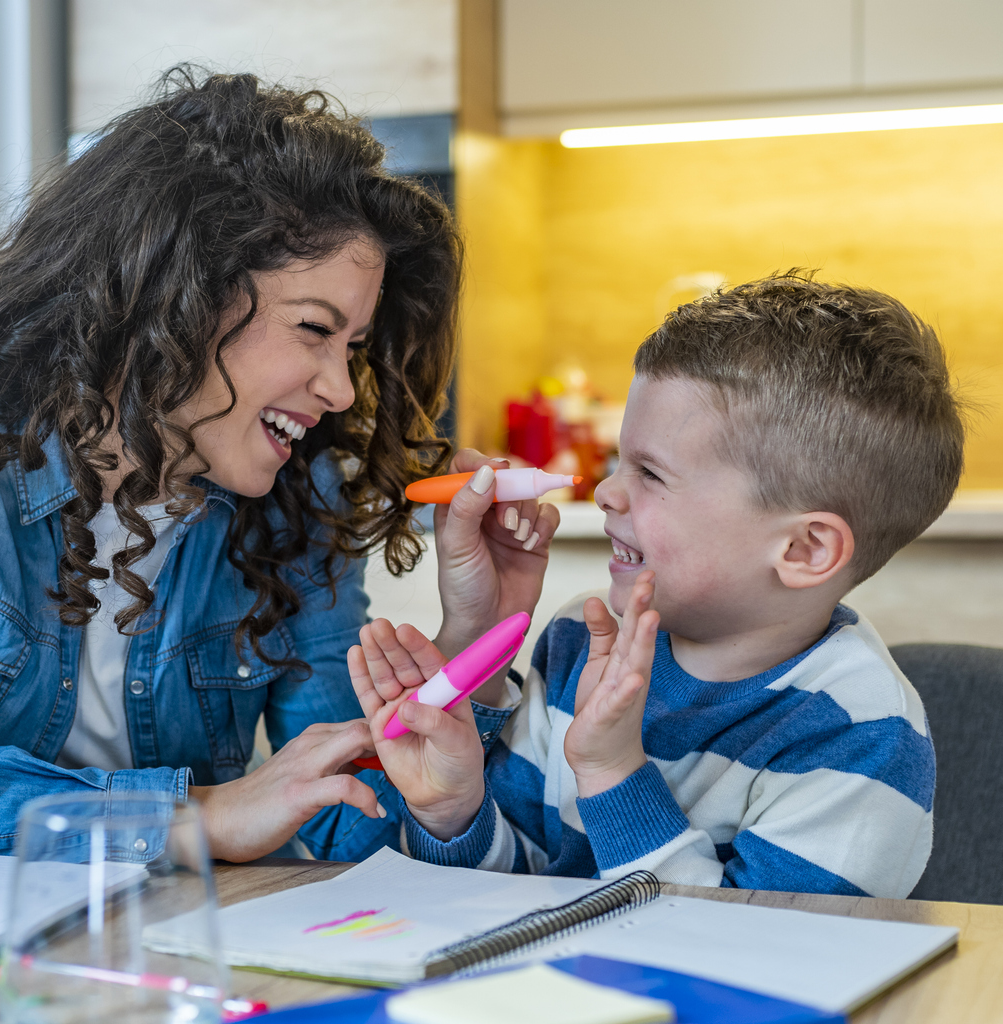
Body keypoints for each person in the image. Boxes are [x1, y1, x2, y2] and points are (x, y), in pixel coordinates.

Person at [0, 71, 558, 868]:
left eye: (350, 347)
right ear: (180, 294)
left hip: (174, 933)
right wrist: (192, 817)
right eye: (313, 329)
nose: (341, 389)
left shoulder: (297, 486)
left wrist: (469, 645)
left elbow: (348, 819)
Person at [350, 272, 963, 897]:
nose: (606, 491)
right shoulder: (578, 640)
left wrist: (613, 772)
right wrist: (452, 813)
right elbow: (515, 889)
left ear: (805, 550)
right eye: (620, 461)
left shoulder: (860, 733)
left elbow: (759, 946)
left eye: (650, 473)